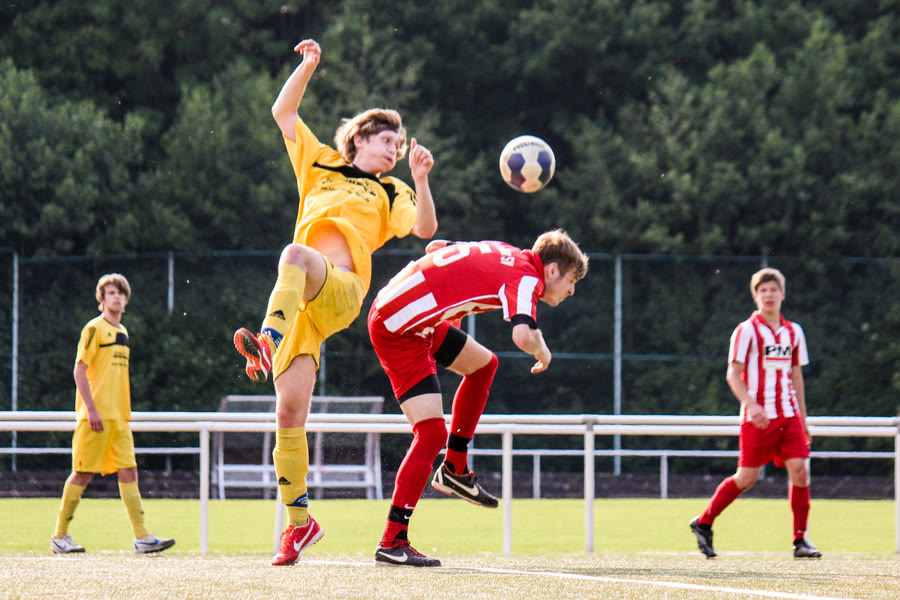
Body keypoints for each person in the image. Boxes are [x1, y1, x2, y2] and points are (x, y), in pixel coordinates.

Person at [232, 39, 438, 567]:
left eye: (398, 145)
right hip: (301, 304)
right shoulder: (321, 161)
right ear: (360, 139)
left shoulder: (391, 191)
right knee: (288, 414)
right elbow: (282, 112)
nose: (394, 150)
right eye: (387, 141)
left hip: (342, 286)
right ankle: (299, 524)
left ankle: (265, 340)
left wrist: (419, 179)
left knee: (293, 253)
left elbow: (423, 228)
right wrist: (307, 67)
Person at [367, 229, 589, 567]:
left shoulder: (506, 250)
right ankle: (392, 540)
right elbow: (523, 336)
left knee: (484, 366)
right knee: (431, 434)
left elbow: (436, 247)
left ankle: (454, 468)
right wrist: (543, 349)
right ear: (553, 269)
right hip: (401, 328)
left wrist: (446, 302)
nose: (572, 290)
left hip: (408, 313)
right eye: (571, 280)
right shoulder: (529, 278)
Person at [690, 267, 821, 559]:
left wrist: (803, 418)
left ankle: (800, 540)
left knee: (800, 472)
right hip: (757, 419)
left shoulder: (794, 332)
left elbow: (796, 377)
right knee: (747, 478)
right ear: (755, 296)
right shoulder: (746, 330)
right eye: (763, 291)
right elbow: (732, 374)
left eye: (773, 290)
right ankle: (704, 522)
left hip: (788, 416)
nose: (769, 295)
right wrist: (752, 405)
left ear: (783, 294)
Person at [51, 274, 175, 555]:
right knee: (82, 474)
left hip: (120, 419)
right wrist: (91, 409)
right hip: (95, 418)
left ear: (126, 299)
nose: (116, 297)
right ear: (102, 299)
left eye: (120, 293)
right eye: (110, 293)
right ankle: (59, 536)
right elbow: (79, 370)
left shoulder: (124, 331)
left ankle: (142, 537)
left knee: (129, 471)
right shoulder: (94, 328)